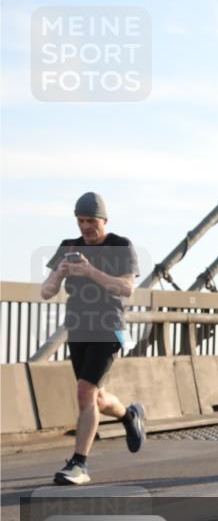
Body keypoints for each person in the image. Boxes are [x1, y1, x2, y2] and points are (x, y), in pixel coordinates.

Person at [41, 192, 147, 485]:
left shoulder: (120, 245)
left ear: (104, 220)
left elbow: (127, 288)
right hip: (78, 329)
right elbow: (46, 292)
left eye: (91, 221)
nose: (85, 227)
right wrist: (59, 273)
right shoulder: (69, 247)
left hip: (108, 328)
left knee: (84, 391)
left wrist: (89, 271)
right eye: (81, 221)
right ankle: (129, 415)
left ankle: (79, 464)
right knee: (96, 397)